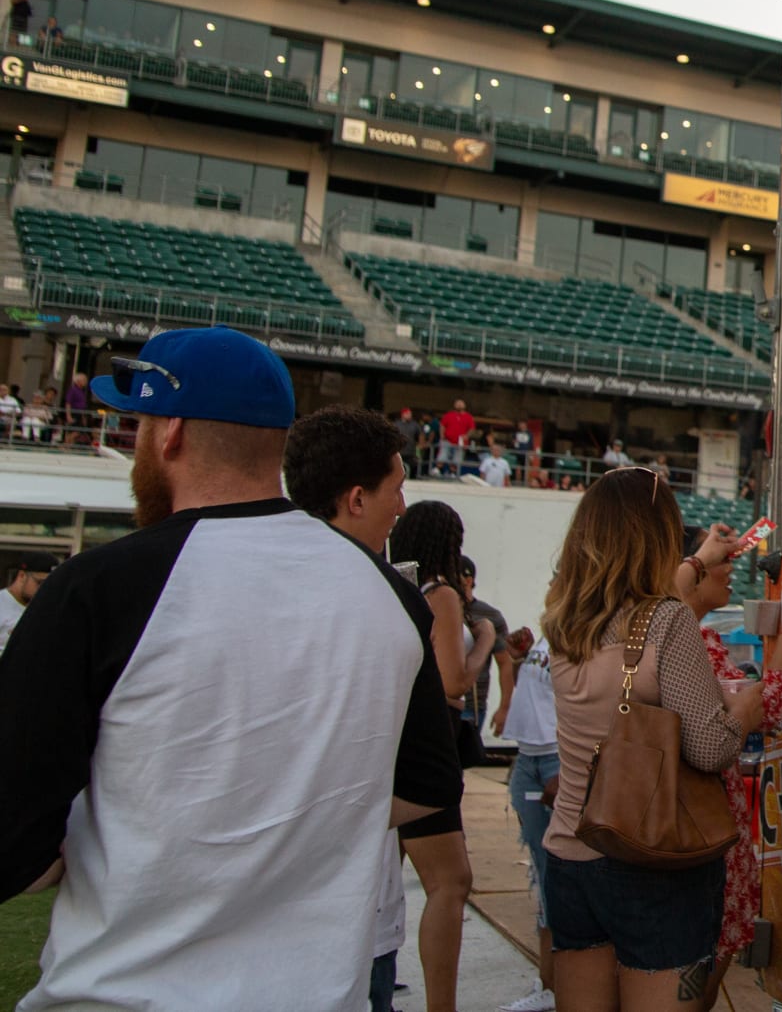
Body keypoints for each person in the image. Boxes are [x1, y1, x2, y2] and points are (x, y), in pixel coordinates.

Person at [0, 326, 461, 1010]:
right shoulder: (389, 592)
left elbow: (13, 840)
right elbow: (428, 785)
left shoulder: (99, 587)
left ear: (171, 434)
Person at [540, 468, 782, 1011]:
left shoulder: (564, 619)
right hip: (652, 862)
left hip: (571, 854)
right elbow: (711, 749)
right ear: (656, 536)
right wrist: (739, 709)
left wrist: (698, 561)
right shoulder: (667, 622)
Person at [280, 404, 416, 1012]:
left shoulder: (252, 582)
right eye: (397, 489)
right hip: (344, 914)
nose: (402, 507)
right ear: (356, 499)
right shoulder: (391, 605)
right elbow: (427, 780)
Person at [675, 524, 782, 1001]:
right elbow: (765, 708)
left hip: (701, 829)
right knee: (690, 991)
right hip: (699, 830)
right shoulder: (687, 639)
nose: (731, 570)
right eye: (717, 563)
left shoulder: (690, 635)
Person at [390, 500, 492, 1012]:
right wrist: (487, 643)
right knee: (451, 882)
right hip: (432, 741)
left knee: (383, 878)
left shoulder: (398, 586)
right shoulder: (443, 595)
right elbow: (454, 681)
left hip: (393, 743)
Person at [496, 622, 560, 1012]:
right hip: (529, 757)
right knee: (543, 874)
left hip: (556, 757)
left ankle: (558, 985)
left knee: (557, 876)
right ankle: (549, 983)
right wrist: (521, 660)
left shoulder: (580, 628)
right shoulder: (548, 627)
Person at [457, 555, 510, 748]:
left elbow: (504, 663)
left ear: (468, 580)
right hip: (443, 703)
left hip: (472, 706)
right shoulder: (439, 607)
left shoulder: (490, 616)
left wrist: (504, 708)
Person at [0, 551, 57, 655]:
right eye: (40, 583)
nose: (44, 589)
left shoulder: (46, 609)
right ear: (22, 576)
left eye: (49, 585)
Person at [438, 398, 475, 478]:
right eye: (457, 403)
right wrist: (442, 435)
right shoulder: (449, 415)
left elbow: (471, 428)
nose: (459, 405)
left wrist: (467, 436)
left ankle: (453, 472)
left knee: (457, 458)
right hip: (447, 439)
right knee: (443, 454)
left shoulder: (468, 417)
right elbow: (442, 425)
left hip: (460, 442)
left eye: (461, 403)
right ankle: (438, 469)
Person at [395, 407, 425, 478]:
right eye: (408, 414)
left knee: (413, 467)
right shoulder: (397, 424)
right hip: (399, 450)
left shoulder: (415, 425)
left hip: (411, 451)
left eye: (410, 414)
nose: (410, 415)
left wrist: (421, 444)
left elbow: (421, 434)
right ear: (403, 414)